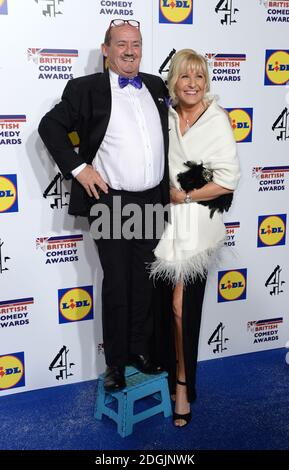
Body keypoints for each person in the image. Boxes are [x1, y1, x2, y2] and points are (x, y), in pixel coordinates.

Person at [38, 19, 170, 392]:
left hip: (151, 200)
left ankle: (139, 351)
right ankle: (115, 364)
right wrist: (79, 169)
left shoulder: (157, 86)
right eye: (122, 44)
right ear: (107, 49)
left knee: (144, 281)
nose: (130, 51)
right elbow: (50, 127)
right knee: (117, 284)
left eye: (137, 44)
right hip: (111, 201)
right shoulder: (86, 89)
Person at [150, 49, 240, 427]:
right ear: (174, 81)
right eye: (185, 77)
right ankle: (170, 375)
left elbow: (227, 180)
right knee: (162, 307)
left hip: (198, 221)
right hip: (162, 220)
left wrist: (184, 194)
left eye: (199, 77)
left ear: (207, 82)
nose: (192, 84)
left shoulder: (217, 120)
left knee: (181, 307)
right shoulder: (166, 114)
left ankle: (184, 385)